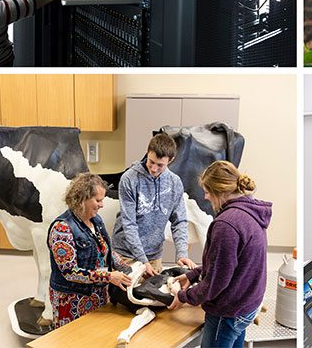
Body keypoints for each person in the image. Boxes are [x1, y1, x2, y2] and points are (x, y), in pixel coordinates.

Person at [168, 161, 272, 348]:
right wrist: (192, 275)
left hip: (227, 312)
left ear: (221, 192)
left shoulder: (227, 225)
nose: (206, 197)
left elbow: (216, 281)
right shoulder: (252, 212)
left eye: (207, 191)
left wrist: (184, 296)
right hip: (246, 305)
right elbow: (232, 265)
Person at [48, 173, 133, 329]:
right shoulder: (62, 229)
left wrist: (130, 270)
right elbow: (70, 272)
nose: (102, 205)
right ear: (82, 199)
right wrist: (109, 276)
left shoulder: (96, 220)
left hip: (97, 294)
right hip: (72, 299)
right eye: (98, 200)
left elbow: (107, 251)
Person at [113, 132, 197, 278]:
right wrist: (142, 260)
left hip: (154, 256)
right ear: (147, 152)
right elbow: (129, 224)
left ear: (171, 160)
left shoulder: (174, 182)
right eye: (151, 161)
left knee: (154, 299)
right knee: (127, 299)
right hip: (126, 254)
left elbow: (179, 222)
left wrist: (182, 254)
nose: (153, 168)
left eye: (160, 165)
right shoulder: (129, 179)